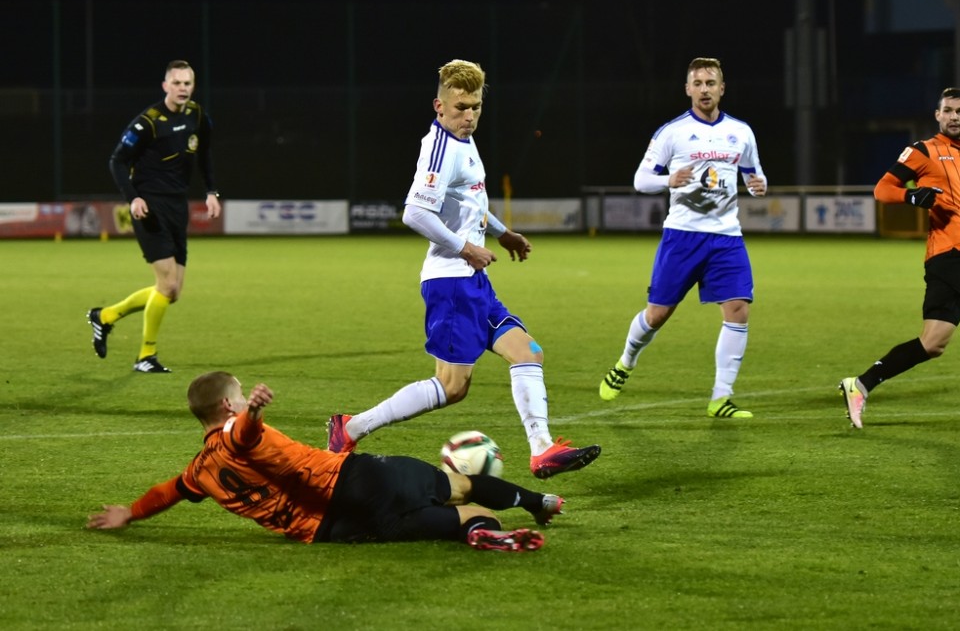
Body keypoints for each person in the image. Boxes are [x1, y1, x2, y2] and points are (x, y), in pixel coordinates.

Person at [325, 59, 601, 479]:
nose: (469, 116)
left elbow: (471, 204)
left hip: (472, 280)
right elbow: (414, 213)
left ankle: (542, 450)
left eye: (475, 107)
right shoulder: (440, 149)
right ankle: (351, 428)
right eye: (460, 108)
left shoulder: (463, 141)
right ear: (439, 106)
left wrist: (503, 233)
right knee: (453, 387)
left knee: (527, 352)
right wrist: (466, 248)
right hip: (451, 283)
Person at [86, 371, 563, 552]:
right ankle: (539, 502)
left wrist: (131, 512)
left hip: (334, 530)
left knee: (466, 519)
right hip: (353, 480)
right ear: (228, 406)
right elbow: (243, 436)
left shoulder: (200, 472)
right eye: (240, 393)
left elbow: (168, 491)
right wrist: (253, 412)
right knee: (460, 486)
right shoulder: (237, 429)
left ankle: (479, 534)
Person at [598, 57, 768, 418]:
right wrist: (668, 180)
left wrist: (758, 185)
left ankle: (721, 398)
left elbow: (754, 174)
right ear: (688, 89)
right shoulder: (672, 132)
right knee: (657, 314)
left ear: (722, 89)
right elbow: (641, 180)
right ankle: (625, 362)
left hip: (726, 237)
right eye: (698, 83)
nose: (705, 89)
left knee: (738, 310)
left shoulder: (741, 132)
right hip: (683, 236)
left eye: (711, 83)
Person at [840, 87, 960, 428]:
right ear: (937, 115)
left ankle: (861, 384)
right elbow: (882, 189)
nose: (954, 117)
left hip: (947, 260)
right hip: (957, 253)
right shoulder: (922, 151)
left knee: (932, 344)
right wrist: (912, 196)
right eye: (948, 110)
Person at [87, 59, 221, 373]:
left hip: (177, 207)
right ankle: (146, 356)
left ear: (193, 86)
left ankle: (104, 316)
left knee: (172, 292)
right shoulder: (147, 123)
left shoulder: (197, 116)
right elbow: (117, 161)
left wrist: (211, 191)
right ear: (165, 86)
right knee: (168, 285)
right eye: (176, 83)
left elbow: (205, 155)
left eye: (187, 83)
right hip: (150, 207)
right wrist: (133, 197)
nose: (182, 88)